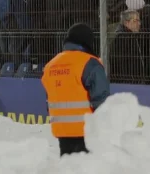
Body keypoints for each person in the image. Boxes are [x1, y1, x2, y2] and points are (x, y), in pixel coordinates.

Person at [41, 23, 110, 156]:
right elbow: (101, 98)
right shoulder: (90, 63)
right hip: (86, 131)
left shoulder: (51, 65)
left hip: (61, 131)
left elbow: (49, 99)